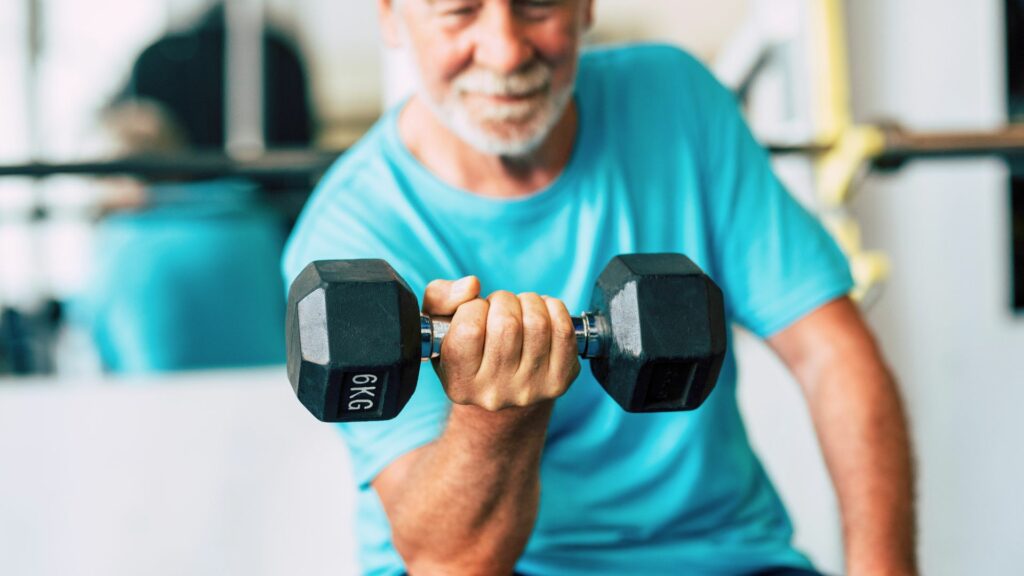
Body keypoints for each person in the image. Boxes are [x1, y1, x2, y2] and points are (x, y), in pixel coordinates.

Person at [281, 1, 916, 575]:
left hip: (725, 558)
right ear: (392, 16)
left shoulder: (676, 99)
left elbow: (831, 354)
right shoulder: (348, 231)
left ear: (585, 7)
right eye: (460, 11)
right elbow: (452, 561)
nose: (505, 51)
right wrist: (499, 412)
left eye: (537, 6)